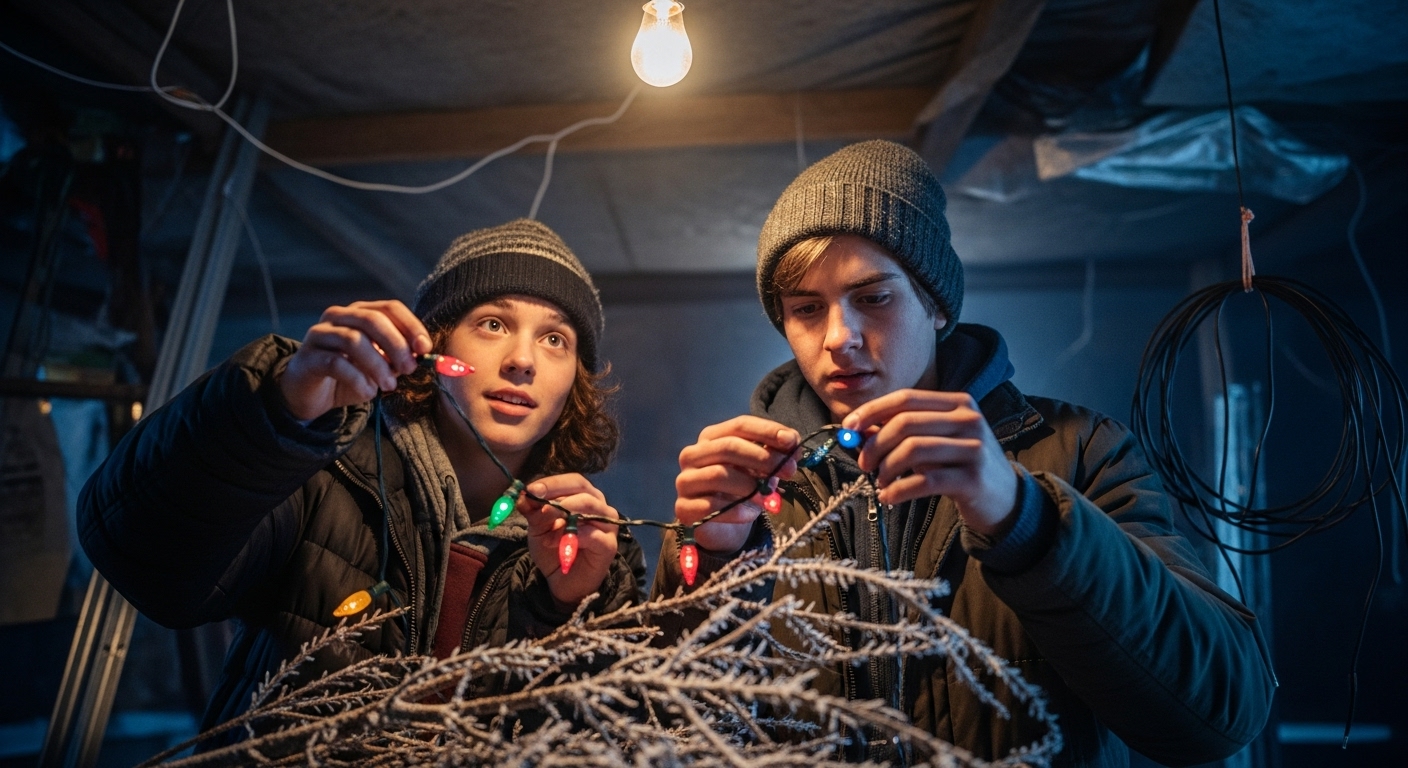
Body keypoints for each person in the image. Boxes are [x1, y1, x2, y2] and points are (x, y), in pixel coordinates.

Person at [654, 141, 1274, 765]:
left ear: (936, 304)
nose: (839, 338)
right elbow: (666, 732)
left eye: (873, 297)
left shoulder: (1079, 451)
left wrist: (1024, 517)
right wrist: (710, 572)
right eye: (806, 309)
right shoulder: (739, 492)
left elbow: (1221, 713)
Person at [80, 219, 645, 735]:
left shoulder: (594, 546)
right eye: (493, 323)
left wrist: (569, 606)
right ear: (434, 343)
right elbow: (147, 558)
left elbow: (624, 733)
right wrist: (277, 412)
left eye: (555, 339)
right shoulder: (324, 476)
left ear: (574, 381)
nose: (524, 359)